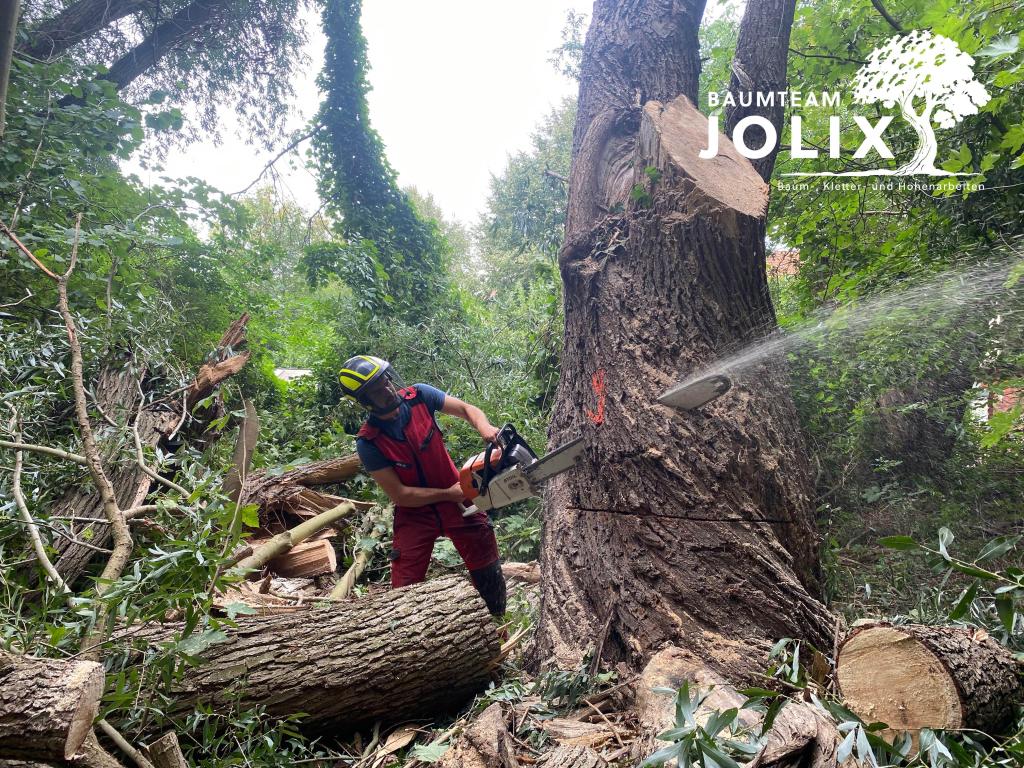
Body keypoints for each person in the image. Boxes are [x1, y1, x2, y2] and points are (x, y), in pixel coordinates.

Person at [339, 354, 507, 616]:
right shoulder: (369, 442)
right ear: (365, 401)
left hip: (459, 499)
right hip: (415, 513)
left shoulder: (419, 396)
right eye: (377, 390)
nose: (387, 390)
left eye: (385, 382)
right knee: (404, 588)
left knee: (487, 568)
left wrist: (485, 427)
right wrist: (448, 494)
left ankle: (496, 623)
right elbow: (400, 494)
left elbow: (466, 409)